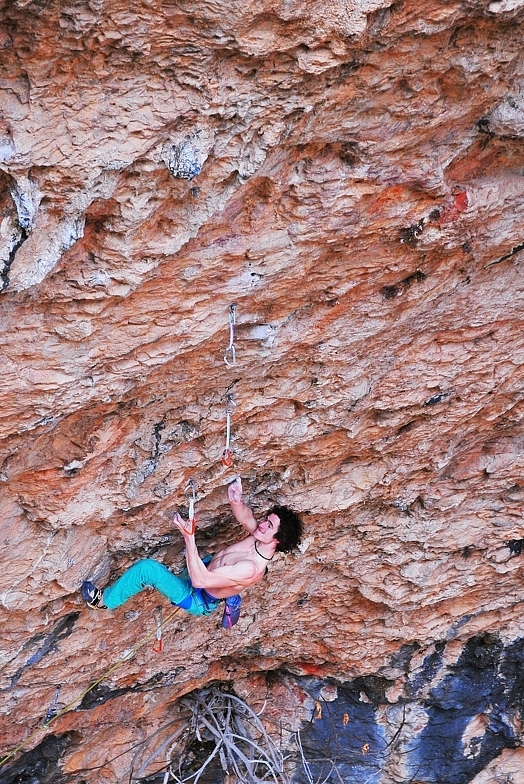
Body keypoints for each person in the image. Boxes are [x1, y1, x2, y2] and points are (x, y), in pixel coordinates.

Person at [81, 477, 303, 628]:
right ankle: (231, 592)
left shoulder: (252, 568)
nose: (262, 525)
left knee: (147, 569)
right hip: (210, 568)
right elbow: (246, 517)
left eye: (269, 526)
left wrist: (189, 537)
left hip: (197, 595)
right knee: (214, 567)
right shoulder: (259, 538)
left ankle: (104, 601)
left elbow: (199, 580)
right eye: (267, 520)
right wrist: (236, 500)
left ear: (277, 540)